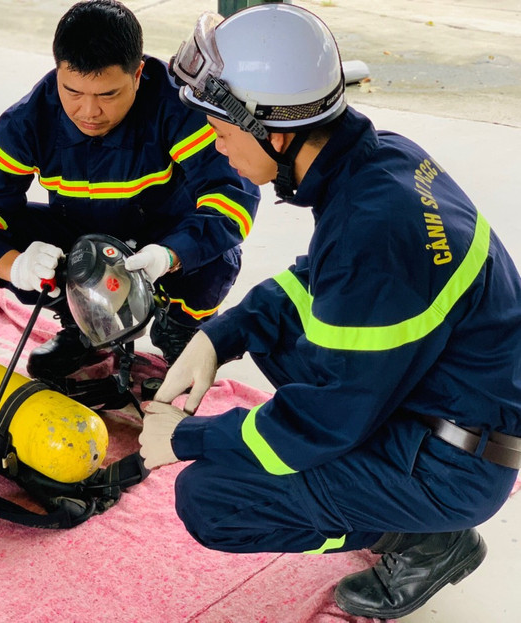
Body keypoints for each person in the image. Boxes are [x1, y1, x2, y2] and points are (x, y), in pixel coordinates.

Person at [138, 4, 521, 619]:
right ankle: (405, 509)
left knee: (212, 499)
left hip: (453, 467)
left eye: (222, 130)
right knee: (274, 330)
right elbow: (320, 277)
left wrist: (189, 437)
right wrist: (221, 335)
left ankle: (425, 538)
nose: (216, 145)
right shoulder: (379, 164)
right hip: (447, 404)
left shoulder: (377, 234)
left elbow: (322, 421)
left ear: (274, 132)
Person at [0, 0, 260, 379]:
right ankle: (83, 321)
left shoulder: (179, 105)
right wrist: (18, 267)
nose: (89, 112)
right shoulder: (28, 120)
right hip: (81, 243)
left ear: (138, 73)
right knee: (7, 234)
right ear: (58, 71)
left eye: (108, 94)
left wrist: (170, 255)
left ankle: (180, 326)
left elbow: (233, 199)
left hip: (161, 239)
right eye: (73, 91)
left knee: (216, 248)